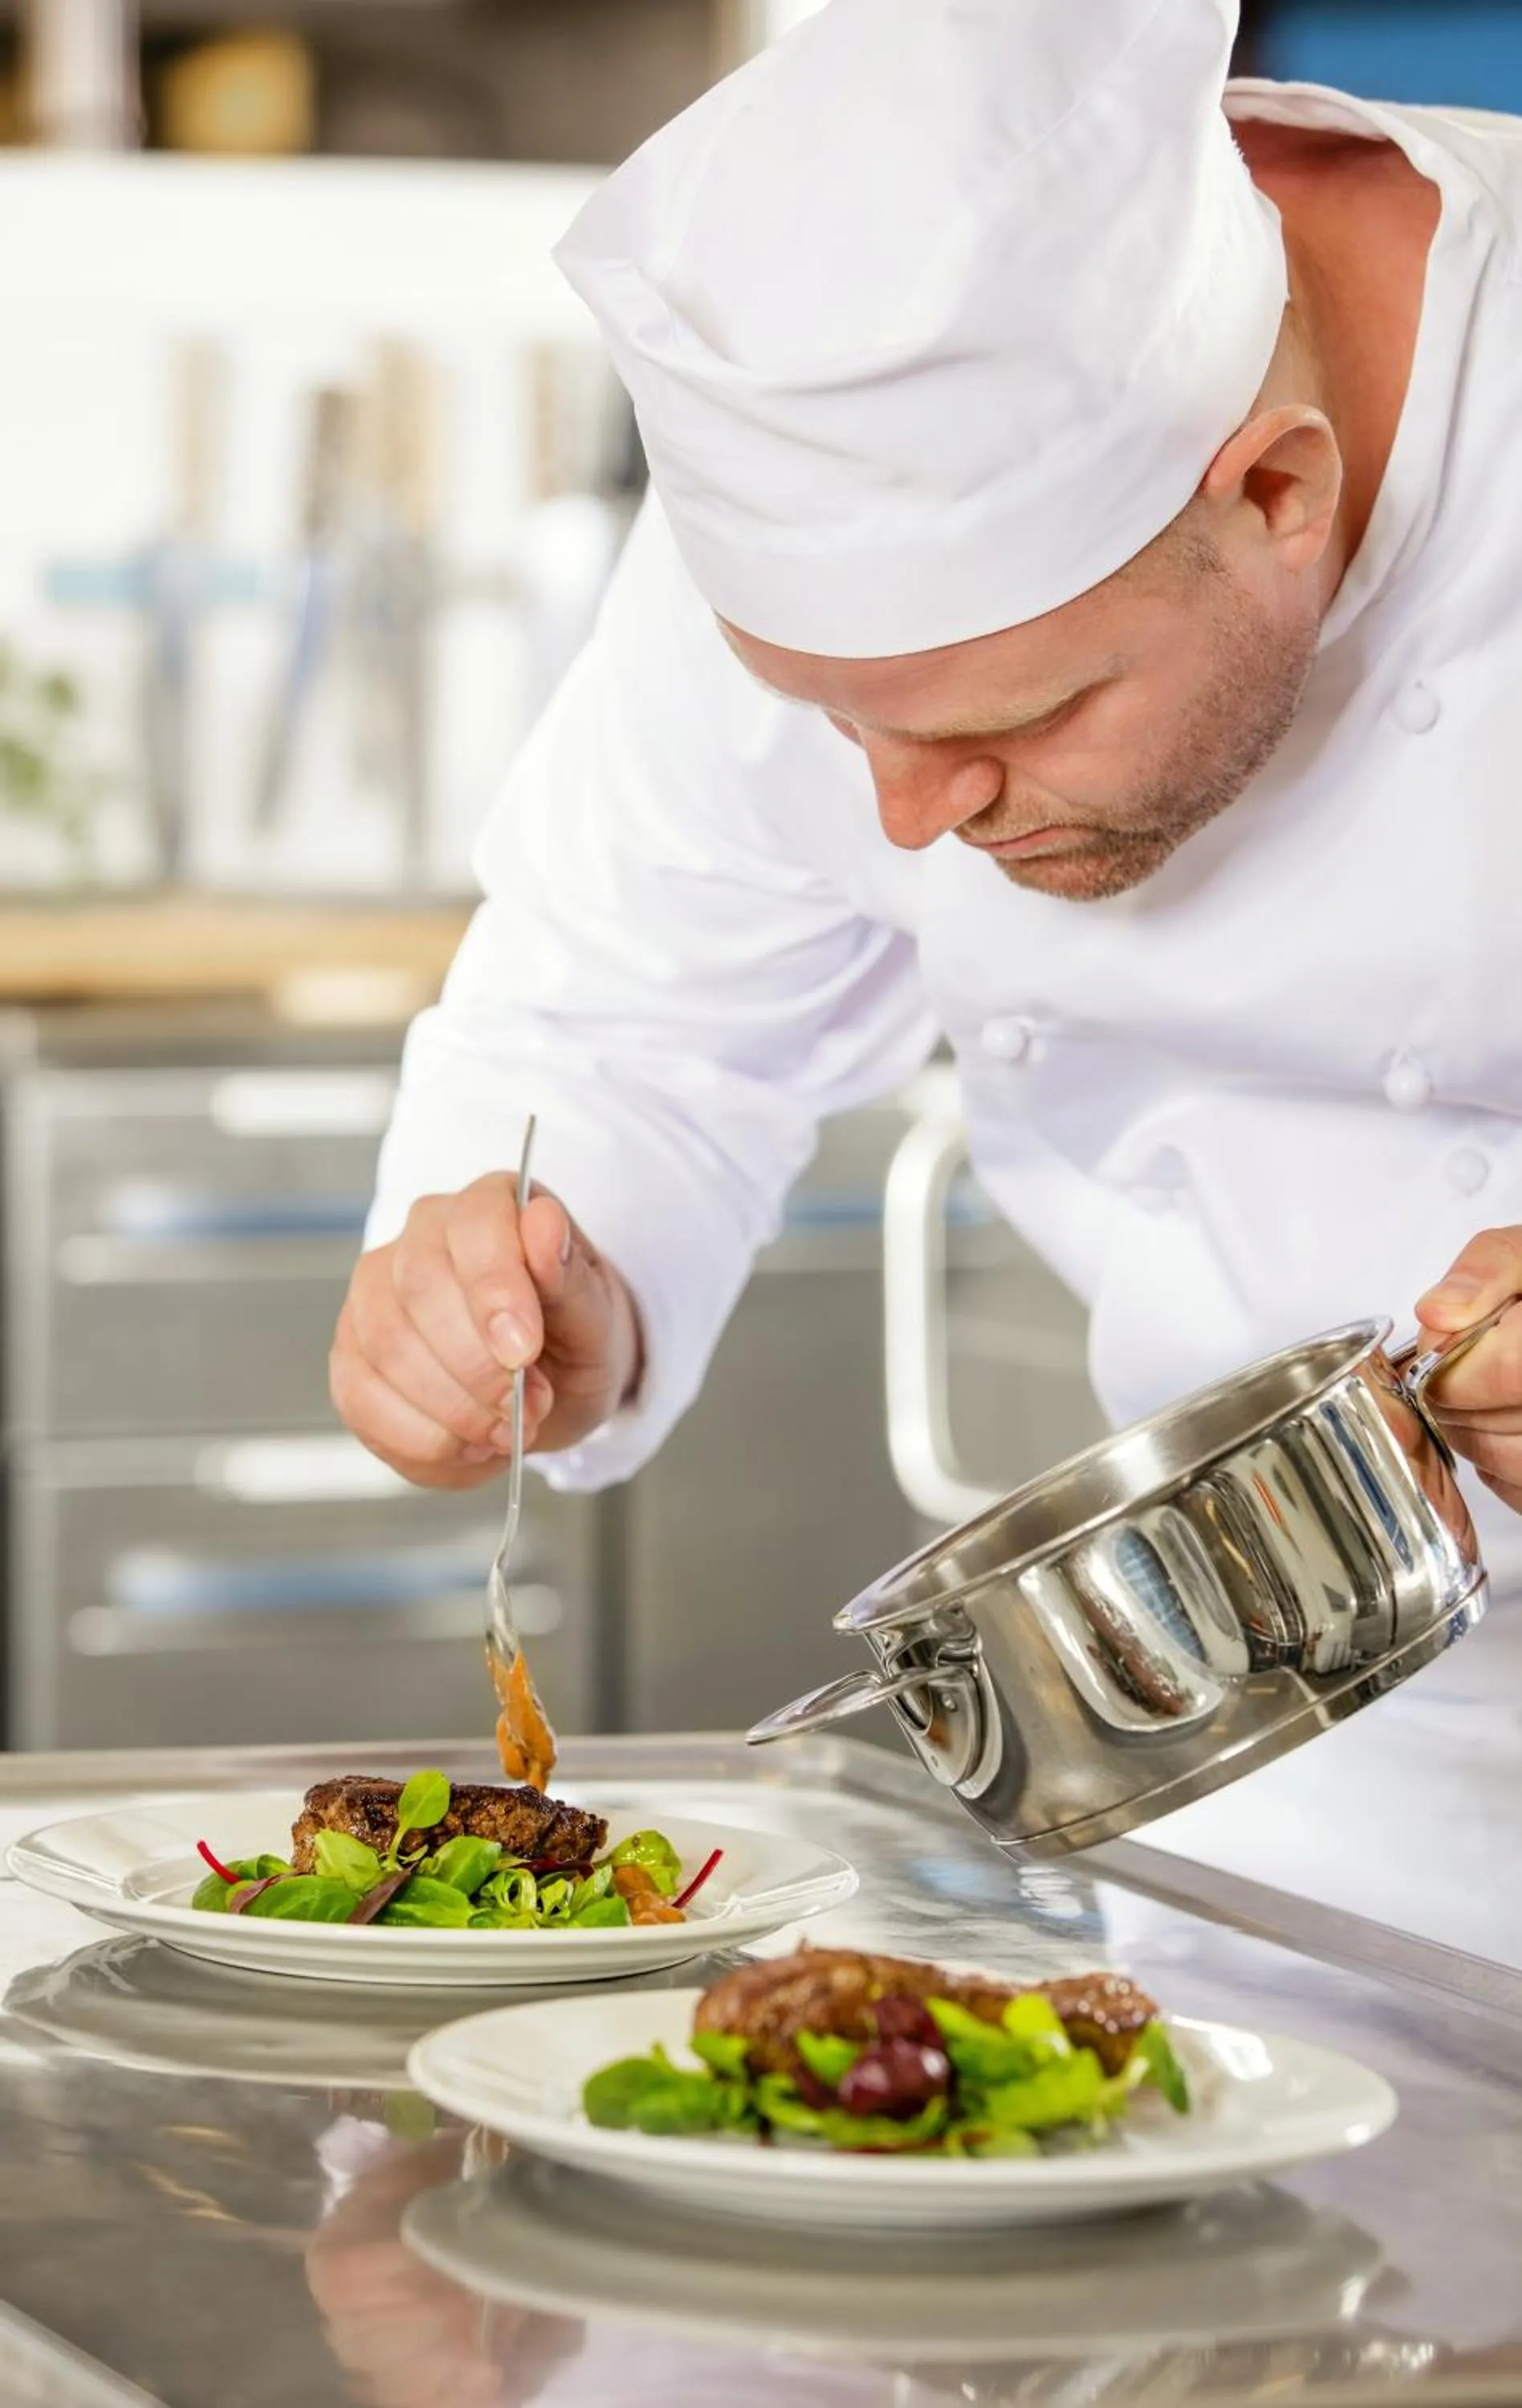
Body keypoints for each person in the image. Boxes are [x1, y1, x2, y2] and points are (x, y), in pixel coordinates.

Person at [331, 0, 1522, 1584]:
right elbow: (630, 1036)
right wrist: (537, 1305)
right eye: (837, 723)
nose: (909, 820)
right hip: (1248, 1636)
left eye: (1028, 714)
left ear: (1277, 491)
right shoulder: (823, 464)